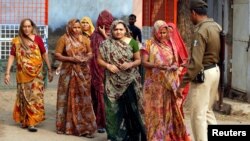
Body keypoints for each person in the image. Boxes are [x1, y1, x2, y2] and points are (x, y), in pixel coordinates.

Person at [177, 1, 221, 141]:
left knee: (197, 115)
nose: (190, 17)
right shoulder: (215, 26)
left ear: (194, 13)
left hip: (204, 75)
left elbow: (196, 64)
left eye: (190, 14)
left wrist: (182, 84)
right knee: (207, 111)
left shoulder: (200, 31)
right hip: (215, 70)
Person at [141, 20, 191, 141]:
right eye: (160, 33)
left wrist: (175, 66)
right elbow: (144, 62)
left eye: (164, 33)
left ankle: (168, 135)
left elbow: (175, 61)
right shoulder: (148, 44)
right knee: (155, 112)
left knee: (169, 110)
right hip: (154, 86)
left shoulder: (171, 44)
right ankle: (155, 137)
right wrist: (157, 66)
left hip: (169, 84)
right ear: (154, 32)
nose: (162, 35)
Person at [97, 20, 146, 141]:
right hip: (111, 81)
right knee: (112, 109)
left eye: (121, 29)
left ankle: (132, 135)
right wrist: (108, 66)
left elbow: (138, 60)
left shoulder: (132, 42)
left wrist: (130, 64)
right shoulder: (105, 44)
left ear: (125, 31)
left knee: (131, 108)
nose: (118, 32)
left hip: (130, 81)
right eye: (116, 29)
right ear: (112, 30)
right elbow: (99, 59)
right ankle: (113, 136)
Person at [4, 18, 53, 132]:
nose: (26, 29)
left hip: (37, 74)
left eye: (28, 26)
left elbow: (44, 54)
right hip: (22, 74)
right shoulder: (17, 41)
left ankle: (32, 122)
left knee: (35, 97)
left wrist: (50, 69)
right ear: (21, 28)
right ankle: (25, 120)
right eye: (24, 26)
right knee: (24, 97)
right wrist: (7, 73)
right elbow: (12, 56)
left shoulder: (38, 40)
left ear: (32, 27)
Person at [54, 19, 97, 138]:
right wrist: (71, 59)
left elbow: (90, 53)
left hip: (83, 73)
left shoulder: (85, 39)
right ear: (69, 28)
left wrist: (85, 57)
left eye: (79, 27)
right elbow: (57, 54)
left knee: (83, 99)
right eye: (74, 27)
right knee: (67, 97)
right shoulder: (64, 39)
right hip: (68, 72)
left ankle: (84, 128)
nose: (77, 30)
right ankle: (65, 126)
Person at [89, 9, 113, 133]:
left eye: (107, 20)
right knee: (97, 95)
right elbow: (91, 53)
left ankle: (108, 122)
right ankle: (99, 122)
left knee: (109, 97)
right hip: (95, 71)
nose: (104, 22)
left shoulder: (115, 34)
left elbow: (114, 50)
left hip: (110, 71)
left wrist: (105, 35)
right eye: (102, 20)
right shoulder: (93, 35)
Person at [167, 22, 190, 117]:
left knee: (177, 101)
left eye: (171, 32)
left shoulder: (179, 44)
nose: (169, 34)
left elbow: (185, 60)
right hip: (167, 77)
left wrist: (180, 69)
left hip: (179, 76)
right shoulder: (163, 44)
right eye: (167, 32)